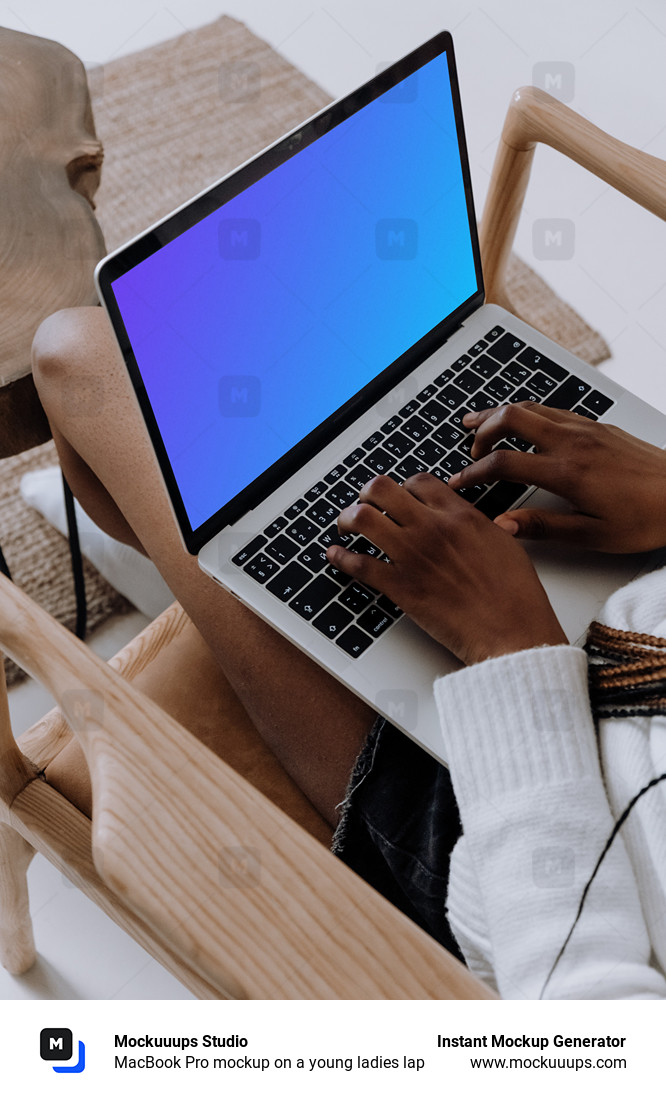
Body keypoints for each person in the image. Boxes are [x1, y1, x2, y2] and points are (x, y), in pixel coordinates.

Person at [32, 306, 666, 998]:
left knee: (77, 352)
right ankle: (209, 575)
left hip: (507, 821)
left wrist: (509, 649)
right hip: (639, 603)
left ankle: (206, 575)